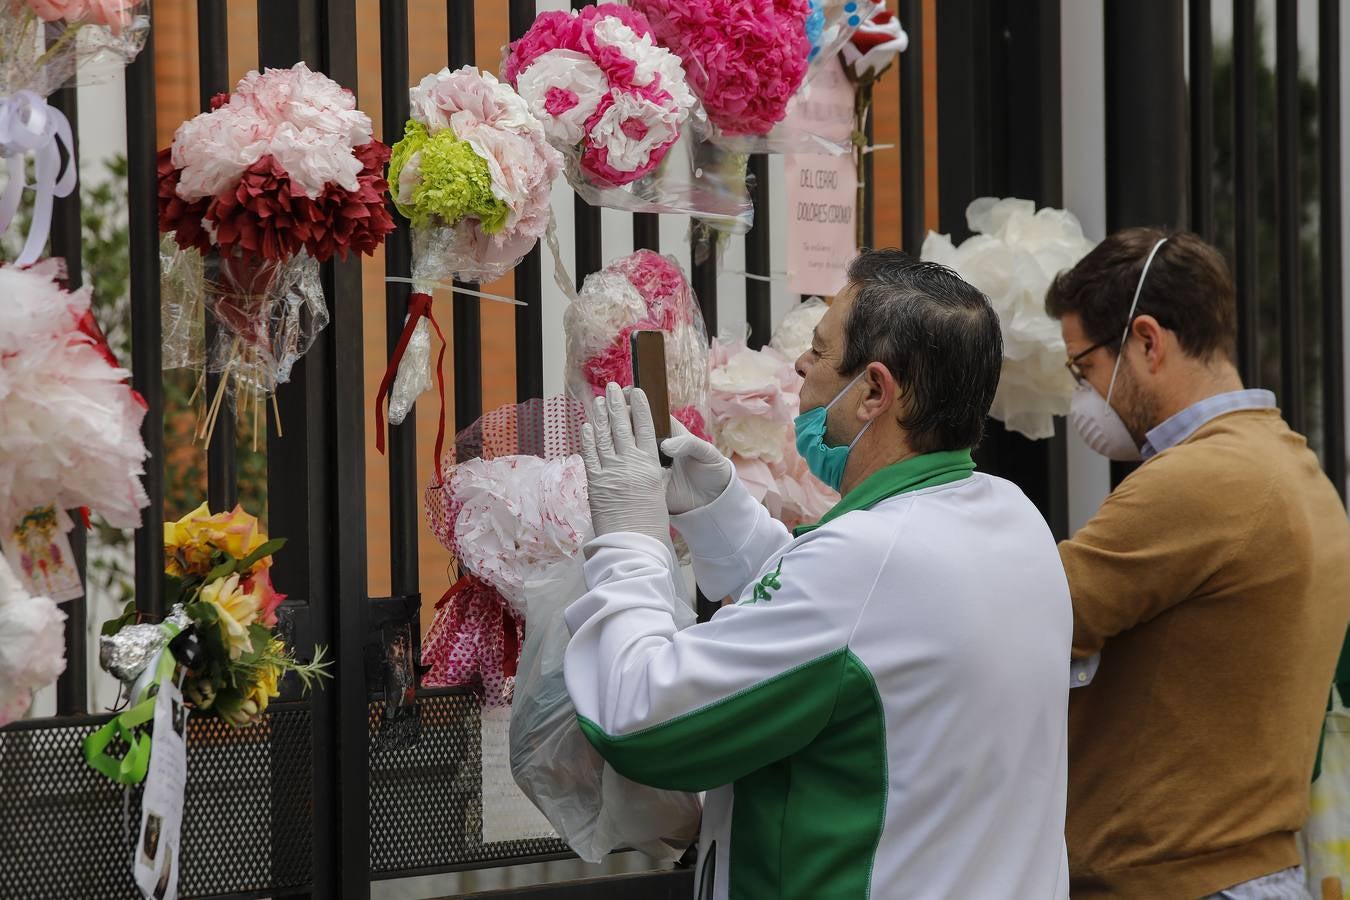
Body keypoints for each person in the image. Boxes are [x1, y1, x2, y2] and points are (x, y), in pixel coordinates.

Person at [566, 250, 1072, 899]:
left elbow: (638, 718)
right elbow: (857, 640)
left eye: (819, 350)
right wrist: (727, 520)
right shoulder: (1012, 518)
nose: (801, 367)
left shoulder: (865, 561)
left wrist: (629, 541)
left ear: (873, 392)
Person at [1047, 228, 1350, 899]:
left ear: (1147, 341)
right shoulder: (1296, 469)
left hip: (1175, 880)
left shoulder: (1197, 481)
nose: (1083, 397)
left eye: (1084, 367)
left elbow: (1030, 618)